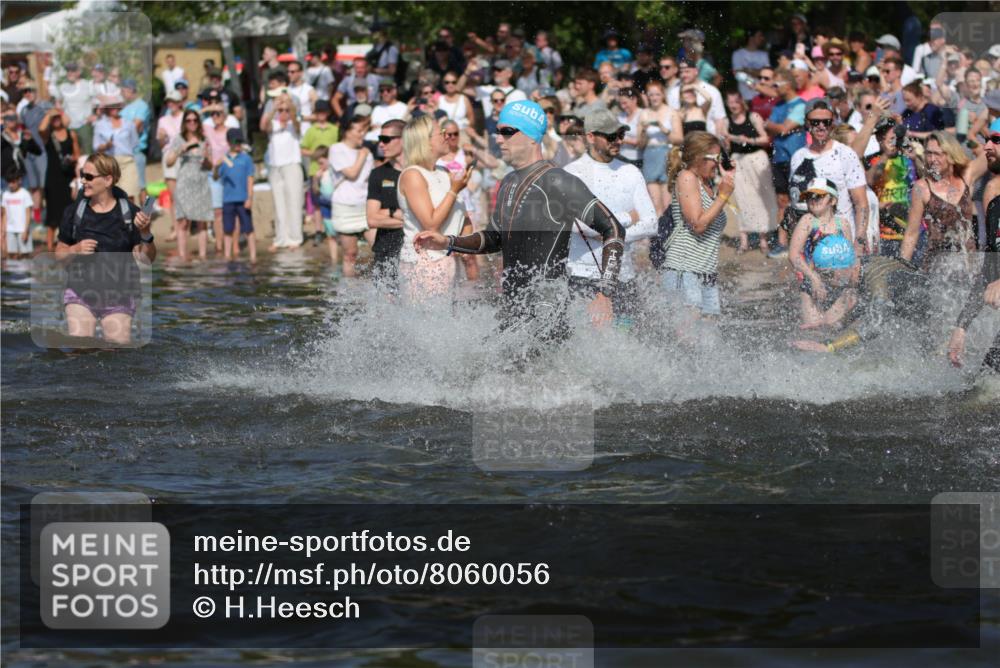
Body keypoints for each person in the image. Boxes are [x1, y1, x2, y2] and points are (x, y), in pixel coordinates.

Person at [413, 100, 625, 338]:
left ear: (531, 136)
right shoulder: (509, 182)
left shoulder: (557, 180)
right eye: (498, 132)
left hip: (547, 306)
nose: (498, 138)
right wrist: (448, 242)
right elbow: (494, 238)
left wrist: (604, 294)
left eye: (507, 132)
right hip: (514, 304)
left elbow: (613, 229)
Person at [565, 108, 658, 329]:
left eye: (621, 135)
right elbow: (579, 226)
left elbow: (651, 223)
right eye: (610, 136)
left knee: (627, 341)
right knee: (589, 343)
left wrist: (607, 233)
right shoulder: (572, 172)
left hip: (623, 275)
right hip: (582, 275)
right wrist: (627, 218)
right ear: (590, 136)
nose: (617, 140)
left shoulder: (631, 171)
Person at [55, 153, 155, 345]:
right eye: (83, 176)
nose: (83, 181)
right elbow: (59, 254)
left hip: (120, 296)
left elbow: (146, 259)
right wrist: (75, 249)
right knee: (81, 347)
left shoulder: (130, 214)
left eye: (89, 177)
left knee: (116, 353)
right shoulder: (74, 212)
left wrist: (145, 233)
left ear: (108, 179)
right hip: (80, 293)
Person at [395, 115, 471, 300]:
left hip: (448, 259)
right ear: (426, 142)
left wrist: (465, 243)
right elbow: (431, 224)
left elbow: (463, 215)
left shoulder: (444, 172)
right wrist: (454, 190)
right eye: (442, 133)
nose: (447, 137)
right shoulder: (412, 175)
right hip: (424, 264)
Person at [661, 130, 734, 319]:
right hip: (685, 270)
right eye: (715, 157)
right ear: (698, 157)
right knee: (687, 342)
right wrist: (724, 196)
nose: (718, 162)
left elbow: (709, 217)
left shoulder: (707, 184)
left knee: (708, 341)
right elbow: (698, 225)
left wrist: (725, 184)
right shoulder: (687, 177)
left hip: (706, 273)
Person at [787, 98, 869, 256]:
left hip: (841, 242)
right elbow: (795, 203)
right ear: (807, 123)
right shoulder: (798, 157)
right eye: (815, 122)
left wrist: (858, 247)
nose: (821, 126)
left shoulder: (845, 154)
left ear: (833, 123)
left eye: (826, 121)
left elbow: (861, 204)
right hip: (808, 245)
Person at [948, 129, 1000, 373]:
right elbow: (990, 264)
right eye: (987, 140)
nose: (987, 147)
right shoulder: (992, 190)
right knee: (985, 380)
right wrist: (962, 326)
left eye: (996, 140)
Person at [901, 131, 987, 269]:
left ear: (950, 155)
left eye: (938, 154)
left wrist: (975, 133)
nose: (932, 159)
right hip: (937, 267)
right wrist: (902, 266)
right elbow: (912, 232)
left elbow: (988, 153)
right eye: (928, 153)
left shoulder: (966, 176)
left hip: (968, 266)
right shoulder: (922, 187)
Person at [788, 178, 859, 328]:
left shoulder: (843, 224)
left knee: (832, 332)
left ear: (832, 200)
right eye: (809, 197)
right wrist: (814, 279)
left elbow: (851, 257)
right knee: (813, 332)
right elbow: (793, 256)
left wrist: (852, 284)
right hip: (812, 287)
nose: (812, 200)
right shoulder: (808, 221)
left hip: (839, 289)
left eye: (819, 196)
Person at [722, 90, 775, 253]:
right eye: (730, 102)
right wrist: (725, 144)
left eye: (736, 102)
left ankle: (763, 240)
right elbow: (726, 147)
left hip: (757, 158)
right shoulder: (726, 121)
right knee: (742, 199)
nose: (733, 105)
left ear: (742, 102)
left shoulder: (754, 117)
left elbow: (765, 139)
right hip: (738, 160)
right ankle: (744, 241)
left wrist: (748, 140)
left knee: (762, 197)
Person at [765, 68, 807, 256]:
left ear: (788, 85)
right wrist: (776, 127)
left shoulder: (800, 105)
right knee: (782, 202)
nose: (774, 88)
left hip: (796, 160)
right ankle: (782, 243)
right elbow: (773, 127)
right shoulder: (778, 106)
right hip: (779, 158)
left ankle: (803, 242)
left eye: (777, 84)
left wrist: (774, 127)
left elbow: (781, 128)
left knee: (801, 201)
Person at [328, 116, 375, 276]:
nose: (362, 134)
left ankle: (381, 287)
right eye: (359, 130)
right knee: (350, 254)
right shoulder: (336, 149)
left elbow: (369, 179)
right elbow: (352, 173)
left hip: (366, 206)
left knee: (380, 248)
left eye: (364, 130)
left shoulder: (367, 153)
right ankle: (350, 293)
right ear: (347, 132)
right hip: (345, 207)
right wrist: (362, 155)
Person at [166, 109, 214, 260]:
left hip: (201, 181)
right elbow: (169, 162)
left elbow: (210, 166)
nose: (192, 123)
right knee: (183, 221)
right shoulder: (179, 139)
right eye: (189, 120)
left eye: (195, 120)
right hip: (185, 182)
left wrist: (206, 158)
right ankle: (182, 255)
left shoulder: (204, 140)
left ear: (198, 122)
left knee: (201, 220)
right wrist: (184, 147)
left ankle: (202, 255)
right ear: (184, 123)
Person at [436, 119, 481, 281]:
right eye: (449, 134)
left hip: (467, 208)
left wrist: (474, 155)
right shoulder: (438, 158)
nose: (453, 137)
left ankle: (473, 292)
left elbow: (492, 164)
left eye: (456, 134)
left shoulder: (465, 153)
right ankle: (454, 290)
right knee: (449, 254)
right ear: (443, 135)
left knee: (469, 255)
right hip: (447, 209)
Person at [366, 119, 406, 288]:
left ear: (404, 139)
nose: (381, 144)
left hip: (413, 250)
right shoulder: (377, 174)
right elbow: (372, 220)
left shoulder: (419, 171)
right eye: (380, 139)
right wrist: (397, 214)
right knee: (385, 305)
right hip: (386, 249)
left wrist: (386, 213)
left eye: (386, 139)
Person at [262, 93, 304, 251]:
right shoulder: (273, 124)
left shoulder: (295, 124)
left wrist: (290, 104)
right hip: (275, 166)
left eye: (286, 110)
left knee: (294, 202)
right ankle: (280, 238)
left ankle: (295, 238)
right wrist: (275, 107)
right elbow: (263, 126)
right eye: (282, 110)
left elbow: (297, 122)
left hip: (292, 165)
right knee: (278, 204)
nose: (284, 112)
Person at [38, 107, 79, 252]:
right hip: (53, 178)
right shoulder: (48, 135)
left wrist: (72, 163)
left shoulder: (70, 133)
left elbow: (77, 156)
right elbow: (41, 128)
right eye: (53, 119)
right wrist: (49, 113)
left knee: (69, 211)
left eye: (58, 118)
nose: (56, 120)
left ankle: (68, 243)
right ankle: (50, 246)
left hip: (68, 177)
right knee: (53, 213)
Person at [638, 81, 682, 216]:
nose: (654, 97)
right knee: (655, 204)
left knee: (668, 203)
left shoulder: (672, 112)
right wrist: (644, 131)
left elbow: (680, 139)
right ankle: (658, 236)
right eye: (651, 95)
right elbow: (640, 144)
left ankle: (668, 234)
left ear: (663, 95)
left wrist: (664, 129)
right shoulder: (644, 113)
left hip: (667, 154)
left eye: (657, 94)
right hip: (650, 154)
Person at [215, 128, 256, 262]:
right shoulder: (224, 159)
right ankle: (227, 255)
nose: (238, 144)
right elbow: (216, 177)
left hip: (243, 198)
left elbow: (250, 178)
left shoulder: (246, 158)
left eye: (240, 142)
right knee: (227, 229)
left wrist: (249, 198)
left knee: (248, 228)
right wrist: (216, 166)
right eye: (235, 142)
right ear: (228, 142)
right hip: (228, 199)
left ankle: (253, 256)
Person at [92, 94, 141, 202]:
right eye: (111, 106)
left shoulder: (129, 124)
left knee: (130, 195)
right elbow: (96, 147)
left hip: (127, 162)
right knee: (113, 197)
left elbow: (134, 143)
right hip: (109, 164)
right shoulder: (99, 125)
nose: (114, 108)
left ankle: (129, 218)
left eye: (115, 105)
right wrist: (106, 146)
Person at [17, 81, 51, 221]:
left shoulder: (44, 106)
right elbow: (22, 126)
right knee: (33, 185)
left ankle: (46, 212)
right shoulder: (24, 109)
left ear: (36, 91)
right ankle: (37, 214)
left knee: (44, 183)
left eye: (30, 90)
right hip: (29, 151)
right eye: (25, 91)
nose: (28, 93)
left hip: (43, 149)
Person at [156, 90, 184, 242]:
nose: (171, 104)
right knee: (173, 195)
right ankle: (176, 228)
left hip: (184, 156)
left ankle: (186, 226)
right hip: (169, 157)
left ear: (180, 102)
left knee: (185, 193)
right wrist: (161, 138)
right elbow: (161, 144)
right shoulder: (163, 120)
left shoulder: (187, 117)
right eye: (168, 101)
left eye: (174, 101)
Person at [203, 103, 230, 254]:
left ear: (225, 115)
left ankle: (232, 243)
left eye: (218, 113)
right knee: (218, 211)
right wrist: (207, 109)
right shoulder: (208, 130)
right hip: (213, 174)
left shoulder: (230, 131)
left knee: (231, 209)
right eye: (212, 114)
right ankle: (219, 244)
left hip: (228, 174)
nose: (215, 116)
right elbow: (189, 117)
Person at [119, 79, 150, 200]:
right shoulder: (123, 109)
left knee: (142, 185)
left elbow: (135, 127)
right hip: (123, 152)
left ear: (131, 90)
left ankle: (147, 213)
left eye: (123, 90)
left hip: (136, 151)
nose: (122, 93)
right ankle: (132, 218)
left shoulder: (142, 105)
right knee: (127, 188)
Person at [732, 29, 771, 101]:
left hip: (761, 95)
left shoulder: (764, 55)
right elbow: (737, 74)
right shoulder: (738, 54)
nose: (762, 38)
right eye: (759, 36)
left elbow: (767, 74)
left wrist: (746, 70)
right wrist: (758, 72)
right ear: (751, 38)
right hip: (744, 97)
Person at [2, 172, 32, 258]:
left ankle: (24, 271)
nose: (10, 185)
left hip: (22, 229)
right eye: (9, 182)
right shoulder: (5, 195)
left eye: (13, 182)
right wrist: (3, 231)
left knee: (24, 254)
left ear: (19, 181)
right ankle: (14, 272)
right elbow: (5, 214)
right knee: (12, 254)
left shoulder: (25, 194)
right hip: (10, 229)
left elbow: (28, 213)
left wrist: (26, 230)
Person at [366, 79, 407, 143]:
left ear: (394, 91)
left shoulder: (403, 108)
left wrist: (380, 127)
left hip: (388, 142)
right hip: (370, 140)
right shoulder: (377, 108)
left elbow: (400, 129)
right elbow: (372, 127)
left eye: (388, 90)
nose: (385, 93)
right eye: (382, 91)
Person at [286, 60, 317, 134]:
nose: (289, 74)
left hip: (305, 130)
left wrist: (299, 117)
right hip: (289, 130)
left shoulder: (309, 90)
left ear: (301, 73)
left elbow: (317, 116)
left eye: (292, 72)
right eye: (288, 71)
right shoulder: (286, 89)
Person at [616, 87, 643, 165]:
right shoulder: (620, 116)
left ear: (634, 99)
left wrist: (622, 140)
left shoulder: (643, 114)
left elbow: (641, 141)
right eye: (620, 103)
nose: (622, 106)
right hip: (620, 157)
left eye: (625, 103)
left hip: (637, 159)